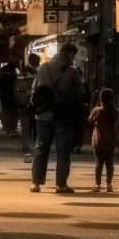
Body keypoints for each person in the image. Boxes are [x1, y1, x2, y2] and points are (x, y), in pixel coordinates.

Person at [31, 42, 84, 194]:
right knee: (63, 150)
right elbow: (80, 93)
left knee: (41, 147)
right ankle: (61, 185)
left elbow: (34, 89)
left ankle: (36, 183)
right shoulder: (72, 70)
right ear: (71, 55)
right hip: (64, 115)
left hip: (43, 114)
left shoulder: (42, 67)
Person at [89, 88, 119, 192]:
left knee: (99, 163)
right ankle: (109, 185)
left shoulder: (96, 111)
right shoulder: (116, 112)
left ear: (101, 98)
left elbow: (90, 121)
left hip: (99, 141)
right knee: (109, 163)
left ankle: (97, 185)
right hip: (110, 142)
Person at [16, 55, 39, 163]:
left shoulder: (19, 76)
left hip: (22, 107)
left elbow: (14, 92)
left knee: (25, 130)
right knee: (36, 129)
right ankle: (38, 151)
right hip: (34, 107)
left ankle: (27, 152)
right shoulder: (37, 76)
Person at [72, 72, 91, 154]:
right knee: (78, 128)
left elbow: (88, 98)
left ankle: (76, 145)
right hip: (78, 109)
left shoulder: (72, 86)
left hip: (77, 110)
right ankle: (76, 145)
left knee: (77, 128)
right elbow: (88, 98)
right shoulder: (83, 86)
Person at [0, 62, 18, 137]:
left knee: (5, 113)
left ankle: (7, 129)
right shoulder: (15, 77)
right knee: (14, 113)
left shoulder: (1, 77)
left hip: (4, 97)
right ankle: (13, 129)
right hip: (14, 97)